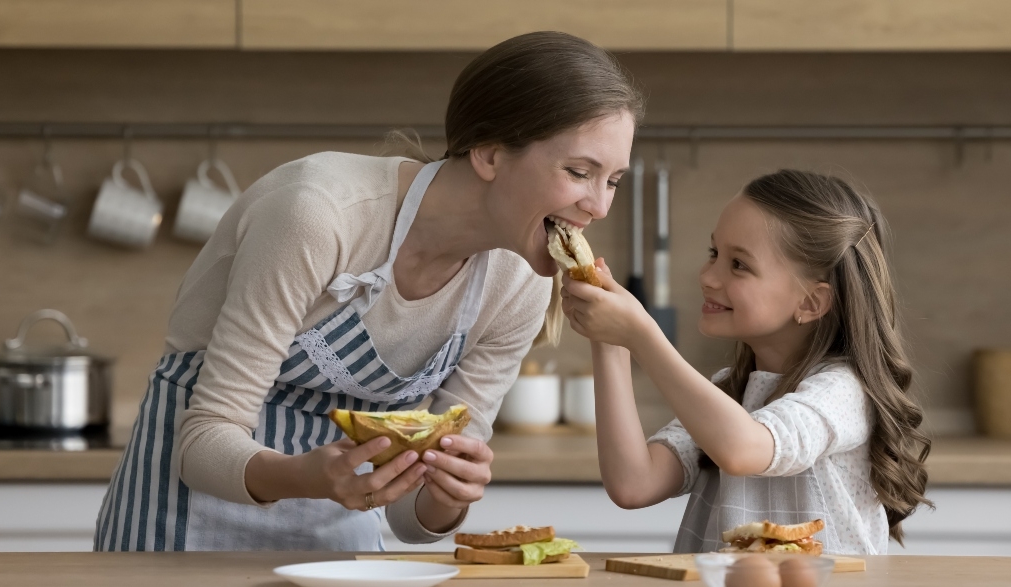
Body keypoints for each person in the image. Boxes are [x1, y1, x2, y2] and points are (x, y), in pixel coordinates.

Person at [95, 31, 642, 551]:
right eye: (578, 172)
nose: (599, 207)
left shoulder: (519, 284)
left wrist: (449, 496)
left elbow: (410, 521)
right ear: (490, 154)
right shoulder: (318, 215)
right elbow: (202, 442)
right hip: (180, 528)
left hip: (338, 550)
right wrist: (307, 477)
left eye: (613, 180)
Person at [561, 170, 931, 554]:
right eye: (714, 254)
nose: (707, 276)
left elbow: (743, 450)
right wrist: (609, 343)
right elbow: (634, 484)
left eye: (739, 264)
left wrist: (642, 335)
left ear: (810, 302)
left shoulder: (843, 391)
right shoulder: (731, 393)